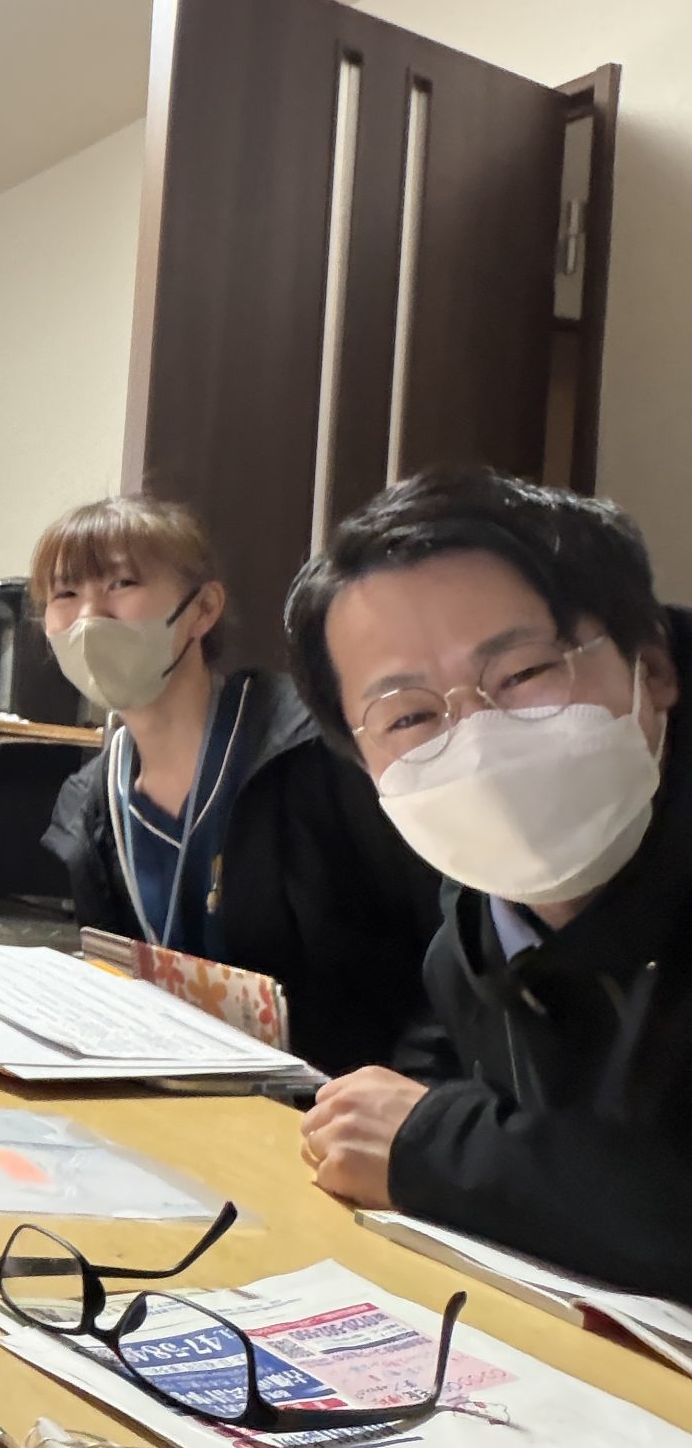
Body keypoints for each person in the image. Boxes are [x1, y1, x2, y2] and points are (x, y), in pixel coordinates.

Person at [287, 470, 692, 1296]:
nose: (479, 742)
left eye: (525, 674)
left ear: (651, 669)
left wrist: (439, 1150)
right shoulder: (472, 941)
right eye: (409, 717)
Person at [32, 497, 444, 1075]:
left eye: (122, 583)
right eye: (65, 594)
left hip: (342, 1103)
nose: (89, 618)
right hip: (187, 1103)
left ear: (202, 610)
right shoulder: (90, 806)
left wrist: (416, 1096)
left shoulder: (317, 750)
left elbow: (450, 943)